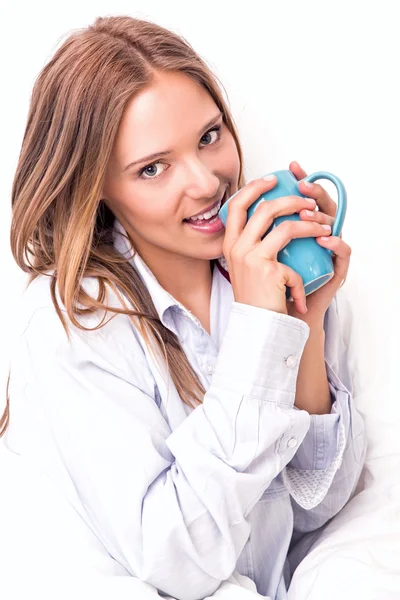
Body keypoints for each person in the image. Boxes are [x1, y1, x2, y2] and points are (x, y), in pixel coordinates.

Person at [1, 15, 366, 600]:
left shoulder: (266, 271)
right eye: (152, 167)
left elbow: (319, 505)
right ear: (97, 187)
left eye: (209, 136)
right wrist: (260, 335)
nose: (205, 181)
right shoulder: (73, 329)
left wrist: (307, 322)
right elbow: (178, 561)